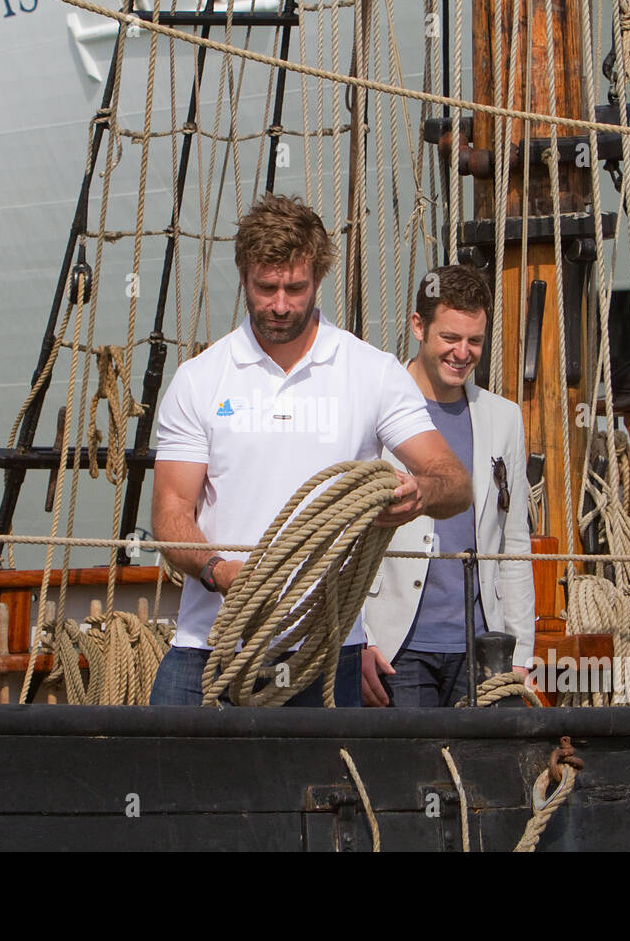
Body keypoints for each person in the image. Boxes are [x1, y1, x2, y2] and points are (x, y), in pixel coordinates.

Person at [149, 193, 471, 706]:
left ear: (318, 279)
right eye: (266, 287)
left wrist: (420, 493)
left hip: (325, 653)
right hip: (209, 645)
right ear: (244, 278)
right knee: (168, 777)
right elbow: (170, 512)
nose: (279, 304)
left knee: (319, 789)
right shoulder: (200, 380)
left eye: (295, 288)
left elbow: (454, 481)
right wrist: (220, 572)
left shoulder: (371, 373)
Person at [361, 265, 535, 706]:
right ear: (419, 326)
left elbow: (513, 540)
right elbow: (344, 534)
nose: (462, 353)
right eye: (450, 338)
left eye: (474, 341)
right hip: (395, 646)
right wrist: (359, 638)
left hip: (482, 647)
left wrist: (521, 652)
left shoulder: (504, 417)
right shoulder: (370, 406)